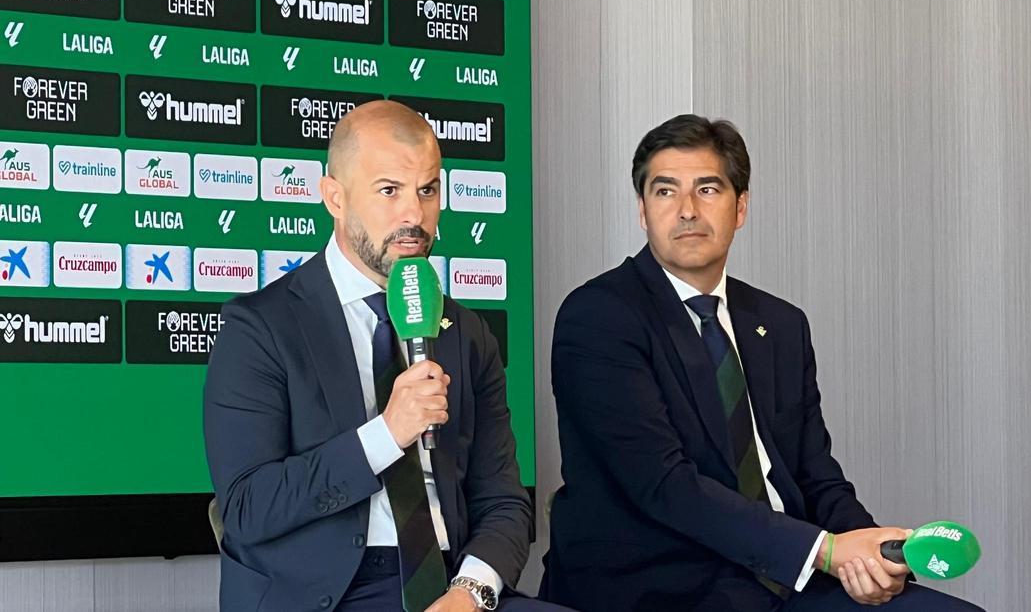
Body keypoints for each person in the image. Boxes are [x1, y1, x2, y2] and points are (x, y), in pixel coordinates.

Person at [541, 114, 984, 611]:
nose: (687, 210)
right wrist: (827, 551)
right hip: (665, 583)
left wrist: (868, 551)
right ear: (643, 211)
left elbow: (815, 473)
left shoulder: (780, 323)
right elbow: (664, 486)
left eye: (708, 189)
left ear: (741, 207)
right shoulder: (599, 315)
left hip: (786, 573)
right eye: (665, 192)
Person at [205, 101, 564, 612]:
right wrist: (386, 435)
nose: (414, 216)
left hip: (452, 584)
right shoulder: (261, 326)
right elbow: (247, 507)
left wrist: (471, 593)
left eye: (427, 190)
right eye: (389, 190)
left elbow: (504, 503)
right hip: (325, 595)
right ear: (334, 197)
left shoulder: (465, 332)